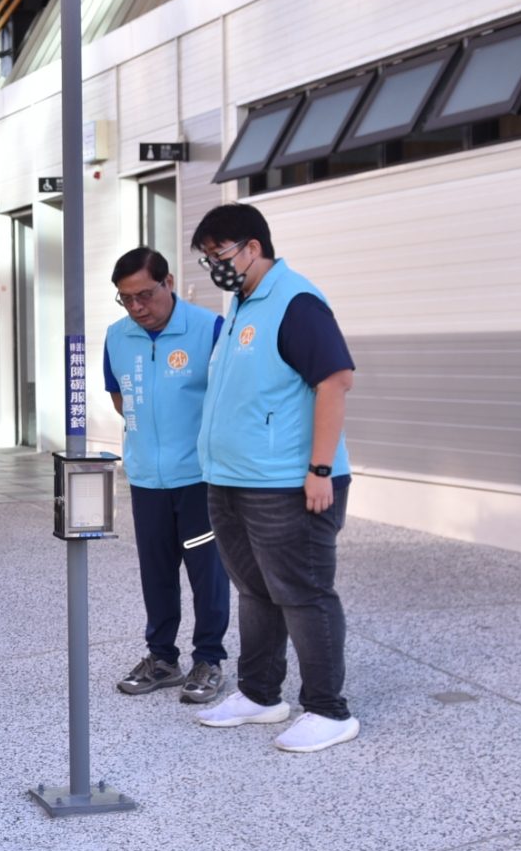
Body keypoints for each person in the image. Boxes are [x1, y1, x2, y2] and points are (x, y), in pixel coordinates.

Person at [188, 203, 359, 753]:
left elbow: (335, 381)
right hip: (233, 480)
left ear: (253, 247)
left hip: (287, 482)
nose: (215, 264)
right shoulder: (242, 303)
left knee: (304, 594)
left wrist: (319, 469)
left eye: (220, 253)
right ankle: (261, 695)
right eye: (208, 256)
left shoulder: (295, 300)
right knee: (256, 591)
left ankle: (329, 711)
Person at [103, 247, 231, 705]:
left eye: (145, 295)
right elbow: (118, 396)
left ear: (169, 282)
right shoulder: (116, 337)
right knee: (156, 571)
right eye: (126, 299)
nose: (138, 308)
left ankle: (209, 659)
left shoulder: (209, 329)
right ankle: (161, 659)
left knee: (207, 571)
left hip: (199, 480)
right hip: (145, 480)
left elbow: (227, 399)